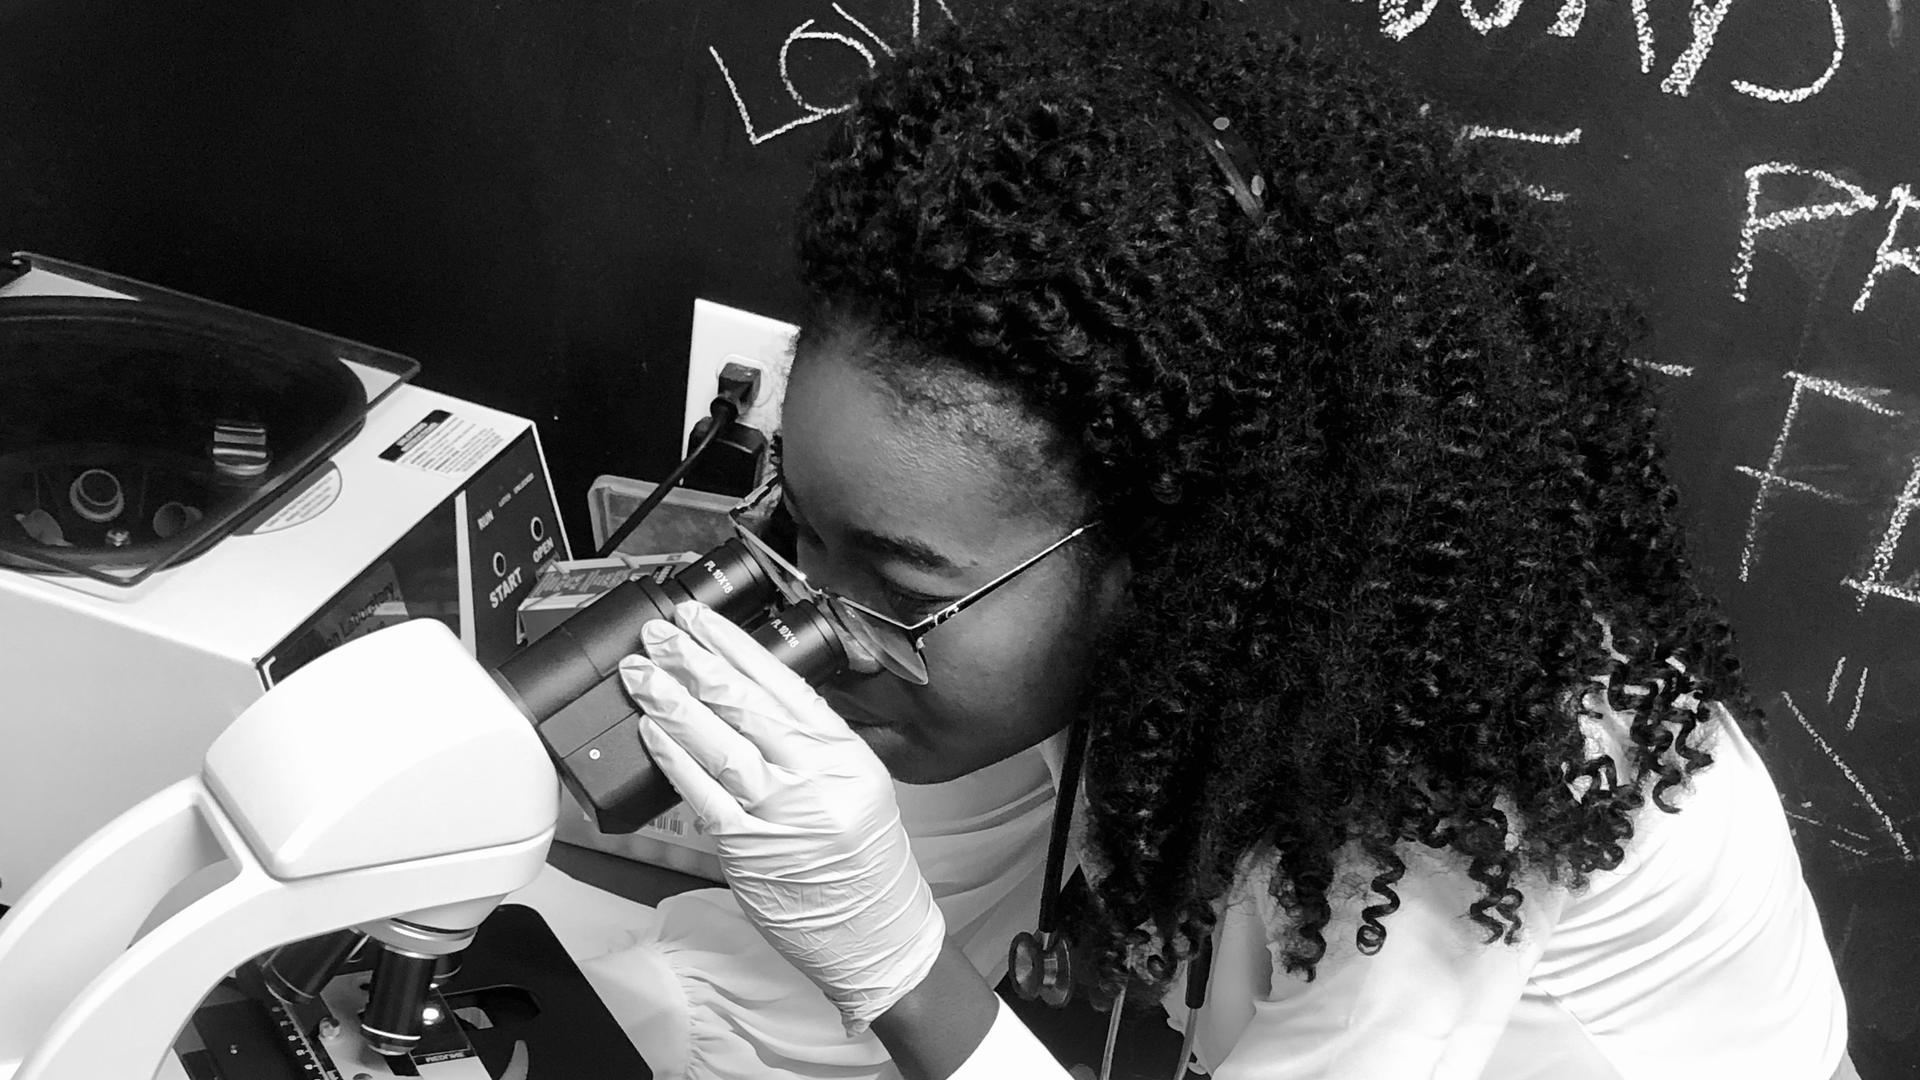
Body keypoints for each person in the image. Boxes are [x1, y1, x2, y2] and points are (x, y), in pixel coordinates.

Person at [596, 1, 1856, 1076]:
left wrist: (889, 958)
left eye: (900, 583)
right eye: (799, 533)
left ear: (1168, 549)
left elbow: (894, 937)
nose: (818, 624)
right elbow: (832, 924)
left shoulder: (1444, 796)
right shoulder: (1127, 633)